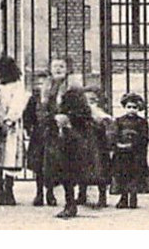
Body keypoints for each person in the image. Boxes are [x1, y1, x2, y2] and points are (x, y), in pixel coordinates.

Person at [22, 56, 76, 207]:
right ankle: (39, 193)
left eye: (62, 67)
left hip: (60, 131)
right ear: (50, 70)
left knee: (55, 163)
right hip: (42, 130)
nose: (58, 69)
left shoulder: (71, 89)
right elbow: (30, 110)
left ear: (67, 70)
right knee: (39, 163)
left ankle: (50, 193)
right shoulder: (40, 90)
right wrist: (29, 126)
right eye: (55, 67)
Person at [45, 85, 103, 219]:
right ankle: (73, 203)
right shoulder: (83, 113)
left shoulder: (74, 115)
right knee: (71, 178)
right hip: (74, 150)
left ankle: (71, 204)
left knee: (68, 179)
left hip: (71, 150)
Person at [0, 55, 31, 206]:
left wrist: (9, 120)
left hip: (10, 126)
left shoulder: (17, 85)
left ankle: (9, 189)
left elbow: (18, 104)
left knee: (10, 156)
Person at [110, 92, 149, 209]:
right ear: (124, 107)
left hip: (135, 154)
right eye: (129, 107)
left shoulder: (142, 122)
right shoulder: (119, 121)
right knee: (122, 175)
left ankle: (133, 197)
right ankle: (123, 198)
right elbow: (114, 135)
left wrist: (133, 145)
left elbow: (144, 138)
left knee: (134, 176)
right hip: (121, 154)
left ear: (138, 108)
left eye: (134, 107)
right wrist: (118, 145)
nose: (131, 110)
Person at [85, 85, 114, 208]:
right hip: (85, 146)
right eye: (87, 99)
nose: (90, 102)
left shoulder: (103, 115)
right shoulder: (82, 113)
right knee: (83, 169)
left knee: (101, 170)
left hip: (99, 147)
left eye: (93, 99)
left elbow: (109, 129)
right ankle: (82, 194)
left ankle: (102, 196)